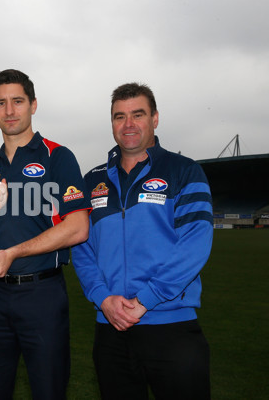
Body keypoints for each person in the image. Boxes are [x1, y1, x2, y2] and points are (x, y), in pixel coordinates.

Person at [72, 83, 213, 399]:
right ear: (112, 123)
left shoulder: (184, 171)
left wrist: (148, 298)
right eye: (119, 116)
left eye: (138, 114)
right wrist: (103, 298)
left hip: (171, 327)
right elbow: (81, 247)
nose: (128, 124)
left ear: (155, 118)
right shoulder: (92, 180)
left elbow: (195, 242)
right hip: (110, 327)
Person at [0, 69, 90, 400]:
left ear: (33, 105)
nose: (9, 111)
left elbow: (78, 227)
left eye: (17, 101)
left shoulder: (58, 156)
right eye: (1, 103)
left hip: (41, 295)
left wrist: (14, 253)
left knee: (48, 391)